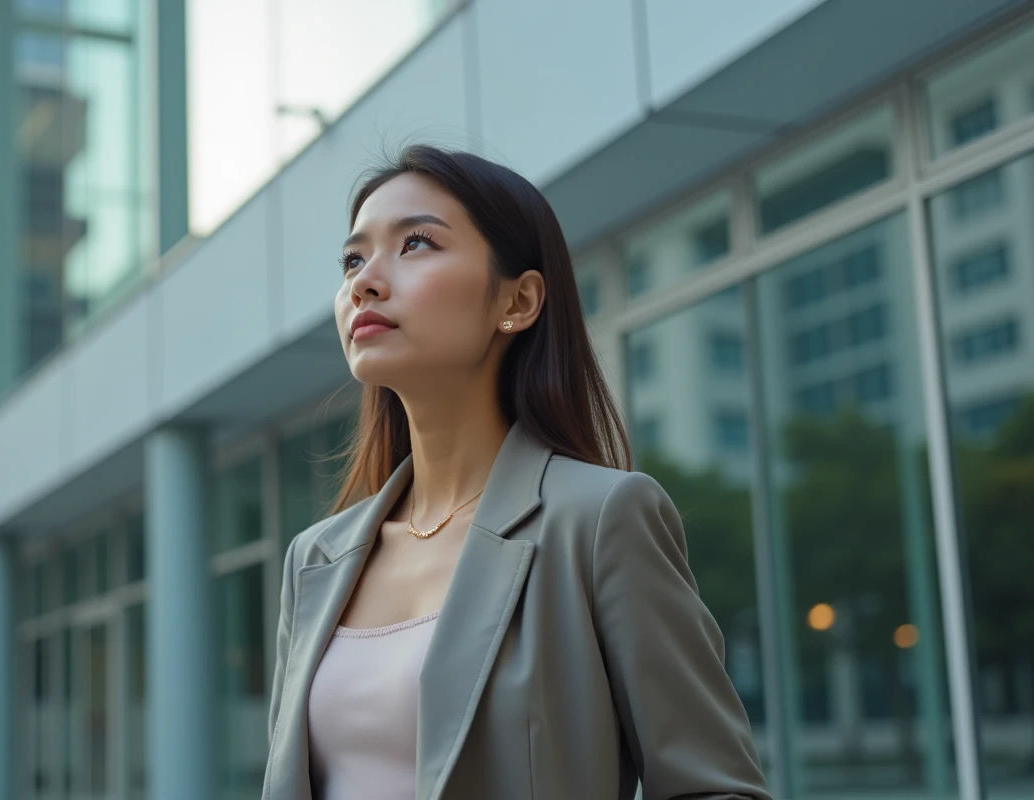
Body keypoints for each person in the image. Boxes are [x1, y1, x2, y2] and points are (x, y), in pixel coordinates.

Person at [262, 144, 770, 800]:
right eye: (353, 259)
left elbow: (715, 789)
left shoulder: (599, 520)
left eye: (415, 243)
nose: (365, 280)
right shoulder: (314, 560)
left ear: (520, 299)